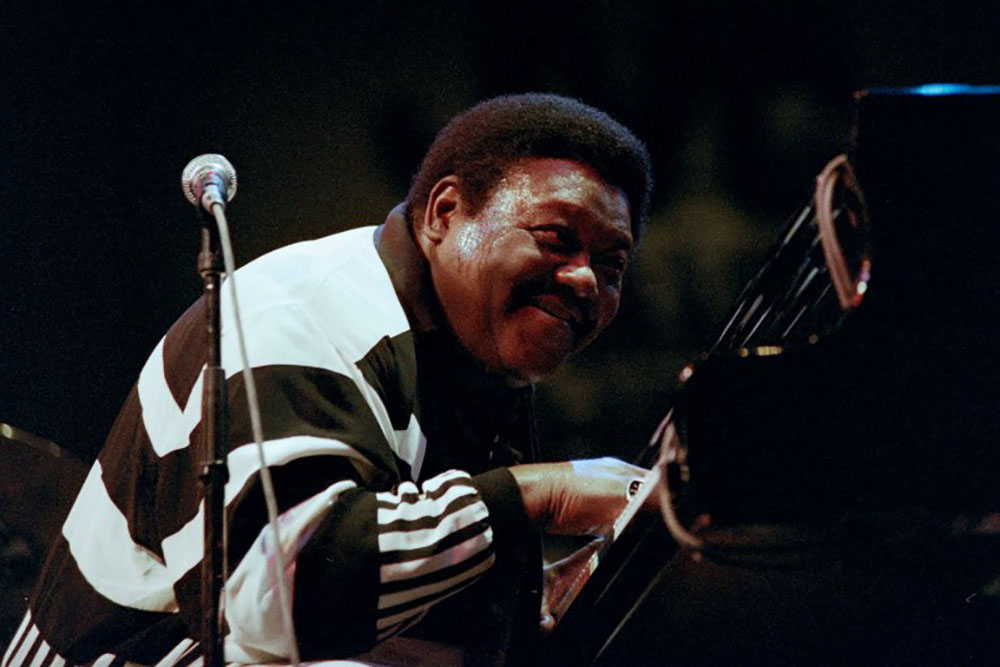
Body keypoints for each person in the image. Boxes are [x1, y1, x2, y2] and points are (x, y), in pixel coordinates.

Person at [3, 93, 653, 666]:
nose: (585, 279)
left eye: (612, 264)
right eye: (555, 237)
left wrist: (516, 610)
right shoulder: (304, 310)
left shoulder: (474, 362)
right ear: (445, 211)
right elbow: (278, 596)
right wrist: (544, 494)